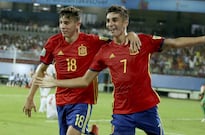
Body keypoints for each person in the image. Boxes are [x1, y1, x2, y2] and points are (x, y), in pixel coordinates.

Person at [35, 5, 205, 135]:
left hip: (147, 109)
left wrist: (204, 39)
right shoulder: (104, 51)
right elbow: (85, 80)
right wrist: (56, 82)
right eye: (108, 20)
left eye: (115, 20)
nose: (111, 24)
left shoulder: (142, 41)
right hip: (121, 113)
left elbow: (174, 43)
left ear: (125, 22)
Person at [22, 6, 141, 135]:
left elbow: (117, 40)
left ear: (78, 24)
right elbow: (41, 70)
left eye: (67, 23)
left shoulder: (91, 41)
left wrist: (131, 34)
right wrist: (30, 96)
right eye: (61, 22)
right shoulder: (53, 42)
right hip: (61, 100)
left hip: (83, 100)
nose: (62, 26)